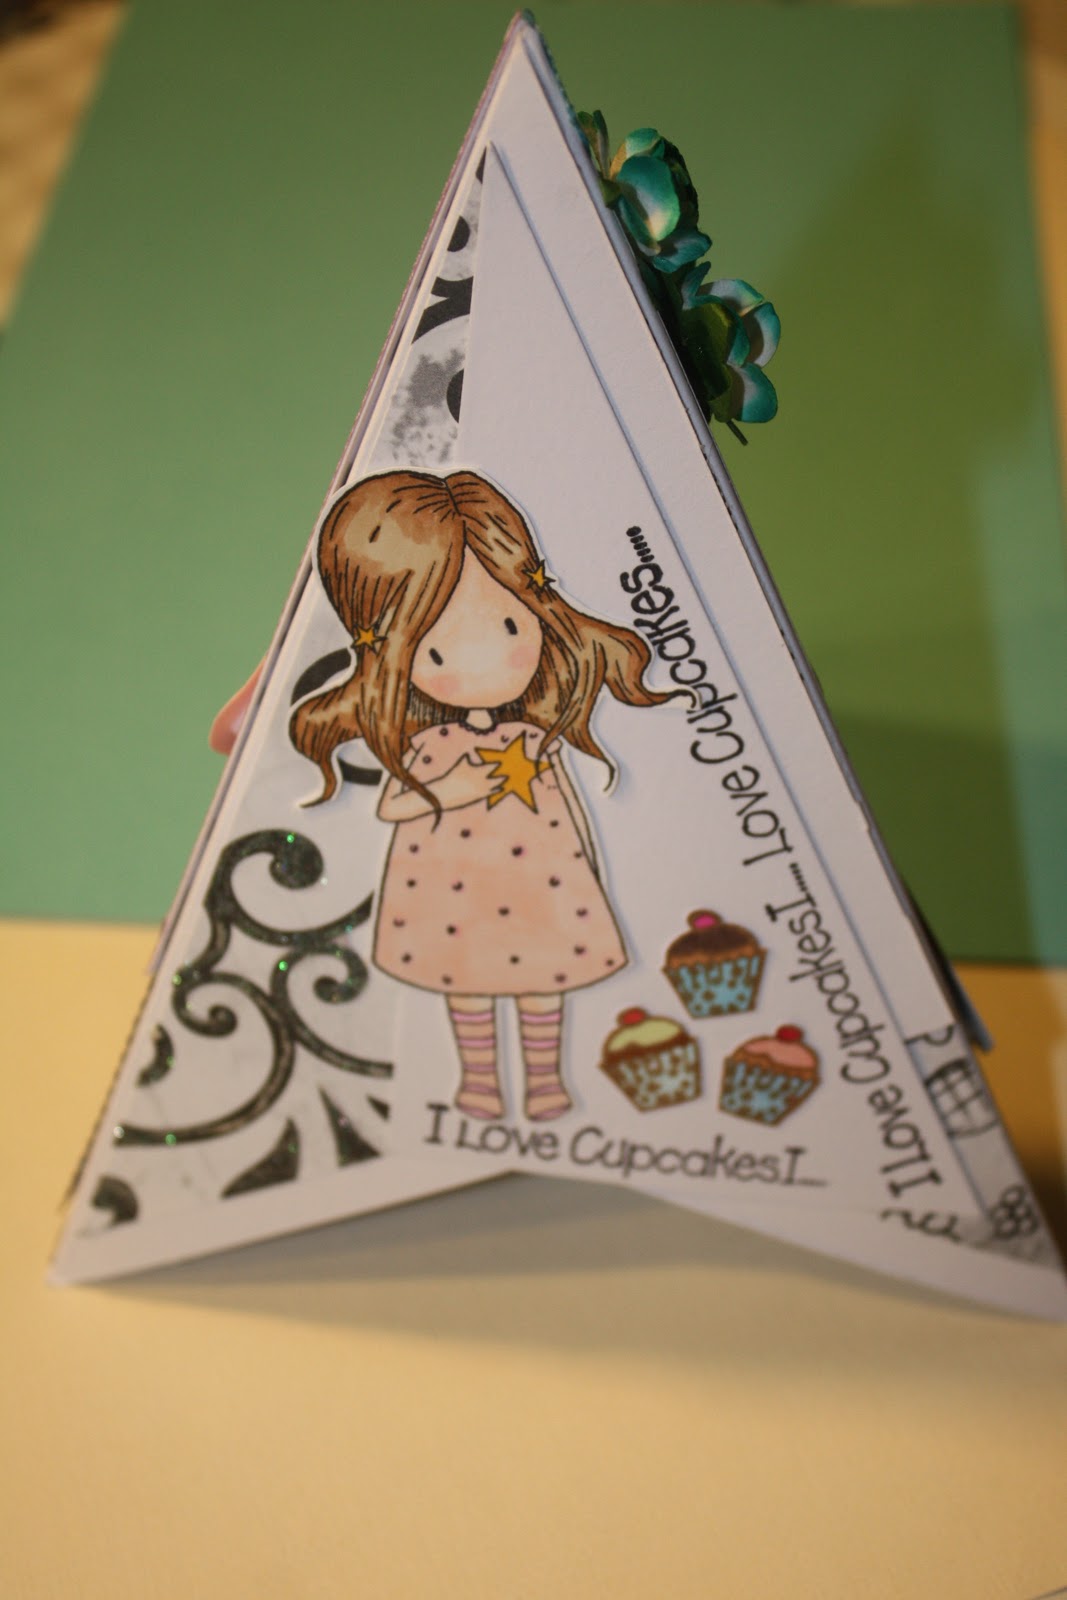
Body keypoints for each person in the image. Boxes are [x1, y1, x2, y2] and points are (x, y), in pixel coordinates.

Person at [250, 469, 669, 1121]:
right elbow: (393, 805)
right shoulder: (433, 747)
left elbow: (575, 813)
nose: (484, 663)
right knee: (466, 986)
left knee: (544, 985)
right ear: (390, 652)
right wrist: (452, 788)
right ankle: (478, 1081)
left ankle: (545, 1081)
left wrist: (591, 872)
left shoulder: (533, 739)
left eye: (509, 627)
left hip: (541, 890)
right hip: (454, 899)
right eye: (438, 650)